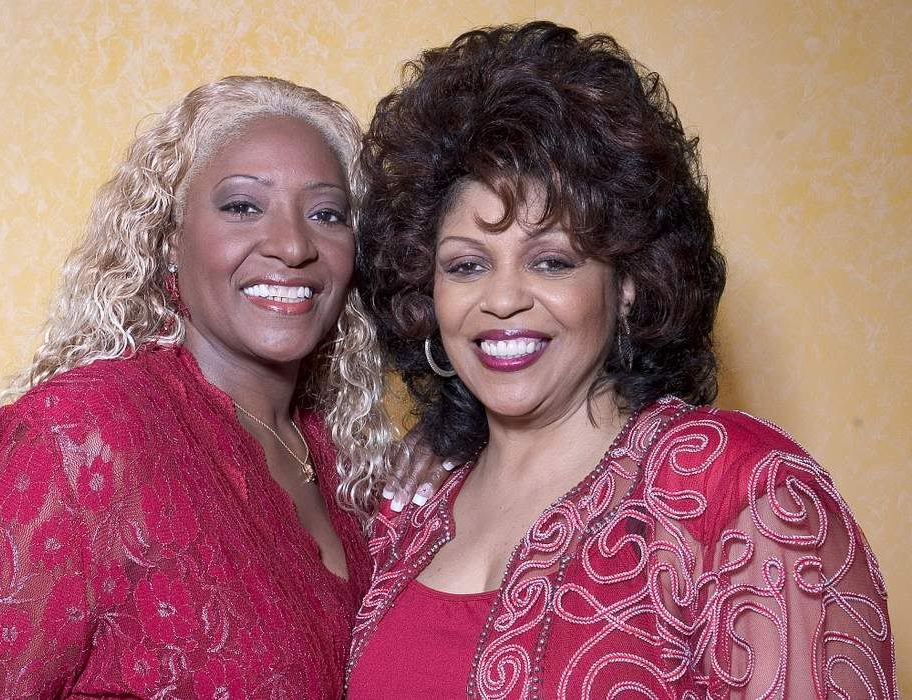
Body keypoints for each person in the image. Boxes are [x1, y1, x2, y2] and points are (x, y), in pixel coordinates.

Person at [345, 22, 895, 698]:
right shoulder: (408, 514)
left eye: (552, 261)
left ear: (627, 283)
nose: (503, 299)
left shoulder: (738, 493)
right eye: (466, 266)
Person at [0, 75, 397, 698]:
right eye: (242, 206)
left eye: (326, 214)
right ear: (168, 239)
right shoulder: (81, 436)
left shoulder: (347, 463)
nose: (293, 245)